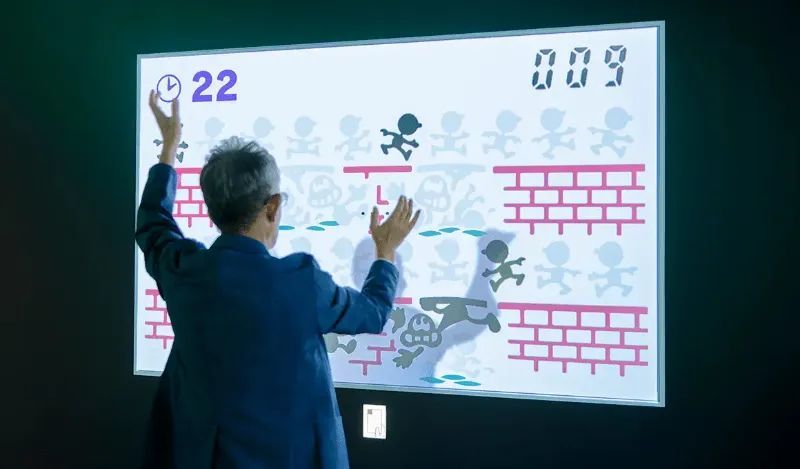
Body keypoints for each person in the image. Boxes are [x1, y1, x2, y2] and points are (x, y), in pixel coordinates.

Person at [136, 90, 420, 468]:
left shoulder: (183, 271)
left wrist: (169, 148)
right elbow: (373, 313)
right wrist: (385, 253)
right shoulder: (301, 282)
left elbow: (152, 223)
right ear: (273, 206)